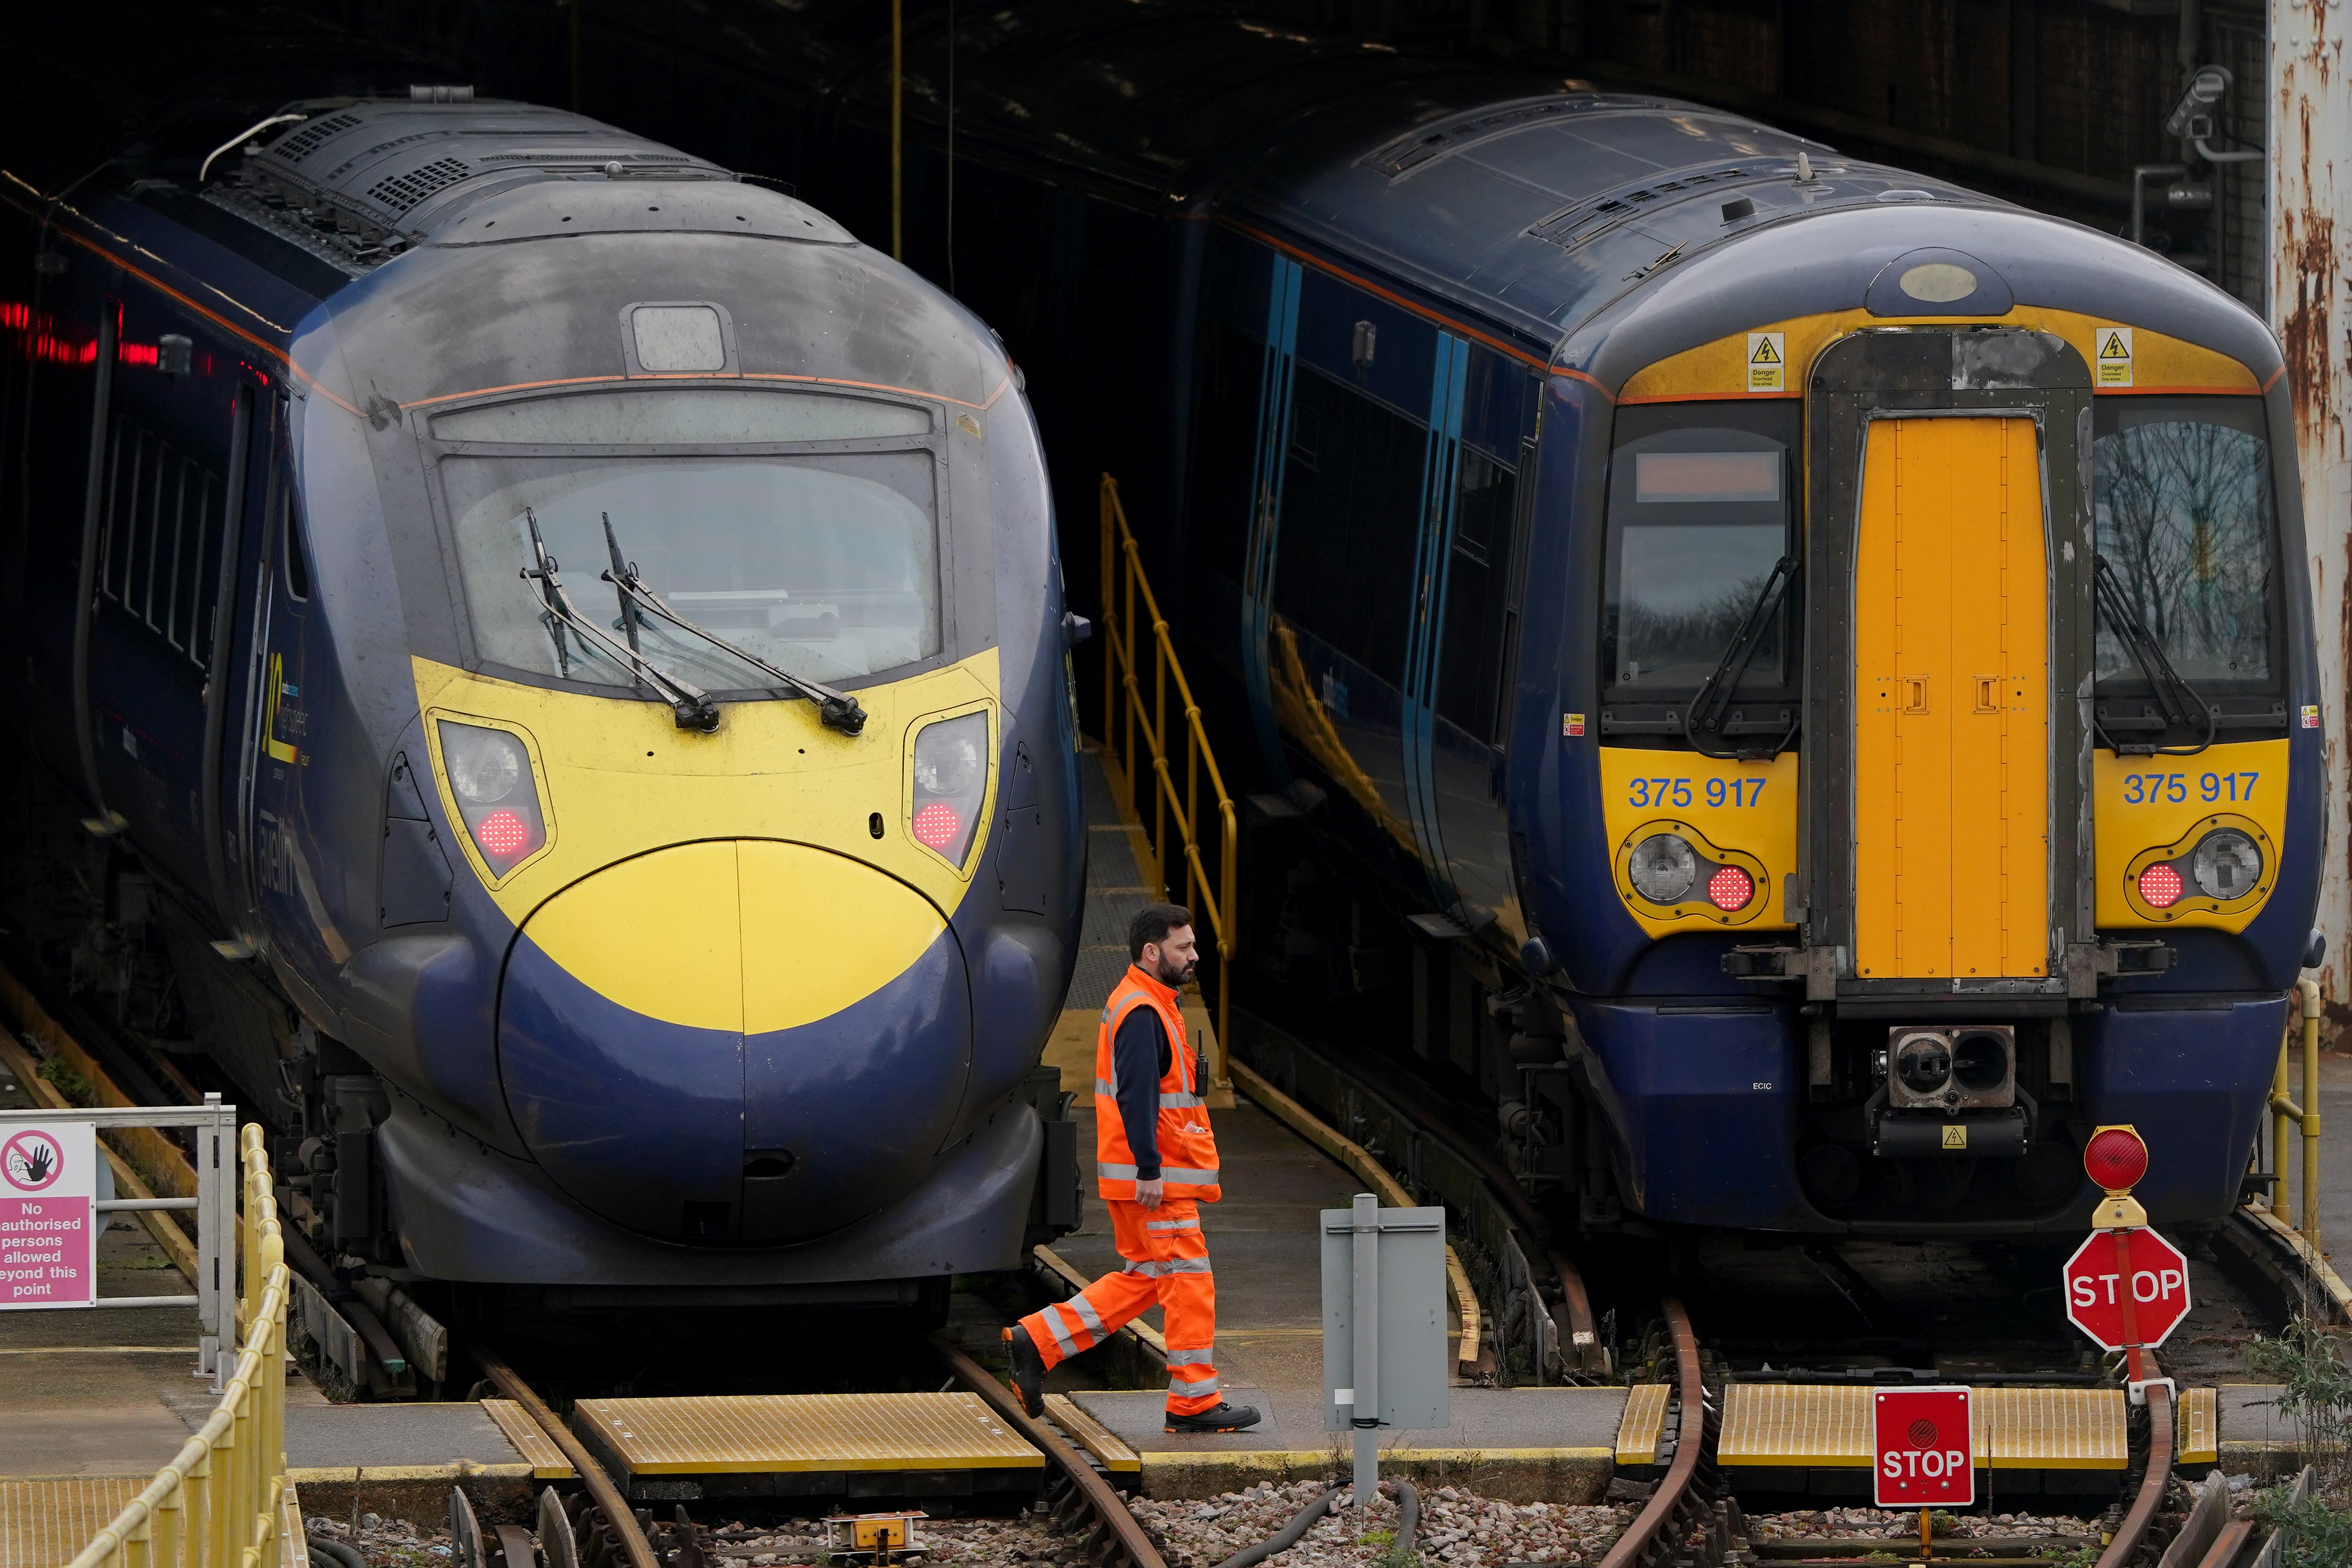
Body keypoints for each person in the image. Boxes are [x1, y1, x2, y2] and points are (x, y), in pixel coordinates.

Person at [1003, 904, 1261, 1433]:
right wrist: (1149, 1169)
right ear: (1151, 951)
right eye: (1183, 947)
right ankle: (1194, 1401)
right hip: (1155, 1182)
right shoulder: (1143, 1011)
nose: (1194, 956)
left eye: (1194, 945)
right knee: (1189, 1283)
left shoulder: (1147, 1005)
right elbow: (1137, 1095)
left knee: (1145, 1278)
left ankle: (1038, 1340)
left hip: (1143, 1178)